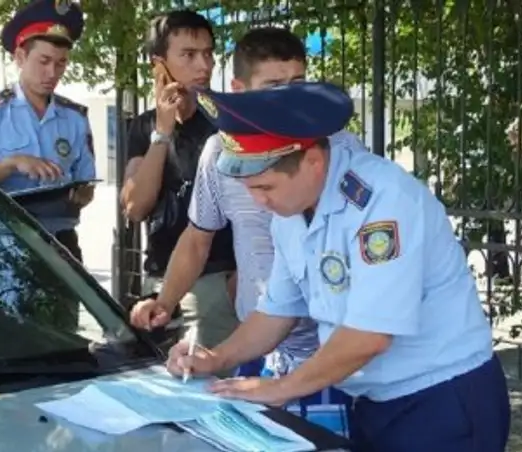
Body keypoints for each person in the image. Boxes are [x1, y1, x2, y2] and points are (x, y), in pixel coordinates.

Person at [167, 82, 511, 451]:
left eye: (266, 187)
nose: (259, 201)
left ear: (313, 162)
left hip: (441, 399)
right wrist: (215, 357)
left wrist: (281, 388)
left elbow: (370, 335)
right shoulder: (290, 213)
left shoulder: (382, 202)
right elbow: (277, 311)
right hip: (375, 401)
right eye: (249, 188)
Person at [130, 27, 354, 434]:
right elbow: (197, 238)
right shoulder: (222, 152)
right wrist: (165, 301)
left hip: (333, 356)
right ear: (239, 89)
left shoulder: (338, 150)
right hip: (257, 347)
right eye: (274, 87)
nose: (288, 99)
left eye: (297, 84)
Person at [120, 10, 237, 351]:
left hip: (215, 280)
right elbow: (135, 206)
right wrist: (163, 131)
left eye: (208, 53)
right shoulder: (145, 126)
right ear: (159, 65)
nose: (204, 65)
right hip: (159, 279)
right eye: (188, 54)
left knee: (211, 376)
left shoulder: (226, 121)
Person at [0, 0, 95, 262]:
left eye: (61, 63)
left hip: (61, 243)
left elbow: (86, 184)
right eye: (44, 61)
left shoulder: (75, 118)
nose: (52, 73)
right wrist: (11, 164)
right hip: (3, 243)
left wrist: (81, 194)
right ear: (20, 57)